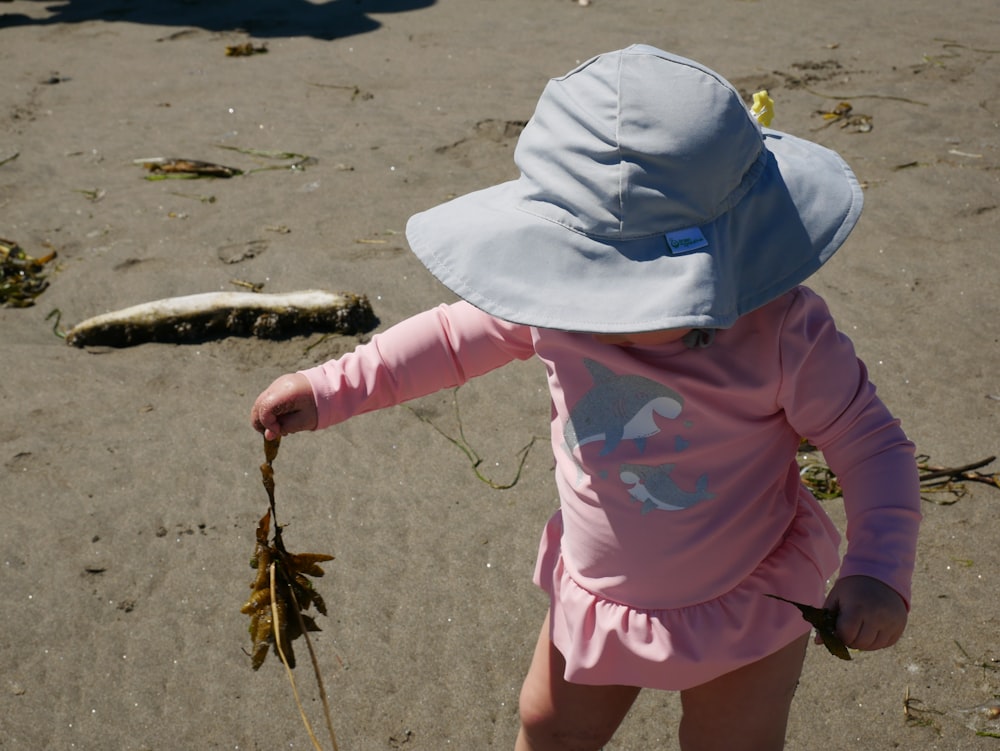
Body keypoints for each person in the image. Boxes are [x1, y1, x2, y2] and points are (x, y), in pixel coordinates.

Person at [251, 45, 922, 751]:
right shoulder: (553, 296)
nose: (600, 309)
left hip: (750, 594)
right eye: (587, 275)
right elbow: (450, 337)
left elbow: (870, 443)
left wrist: (879, 568)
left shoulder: (784, 331)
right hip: (601, 591)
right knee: (548, 724)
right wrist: (329, 387)